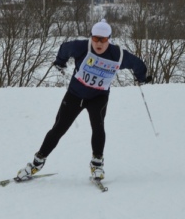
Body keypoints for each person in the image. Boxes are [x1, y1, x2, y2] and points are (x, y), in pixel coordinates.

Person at [16, 19, 151, 181]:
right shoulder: (82, 47)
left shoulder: (118, 54)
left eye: (103, 39)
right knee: (58, 129)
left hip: (98, 97)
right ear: (91, 37)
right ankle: (36, 163)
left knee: (98, 127)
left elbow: (137, 64)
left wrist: (141, 77)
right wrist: (60, 63)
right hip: (75, 95)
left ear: (109, 39)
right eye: (95, 38)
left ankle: (97, 164)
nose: (98, 43)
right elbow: (64, 49)